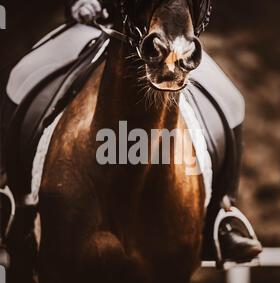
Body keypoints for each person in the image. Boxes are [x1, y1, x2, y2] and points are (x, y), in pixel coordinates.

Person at [0, 0, 262, 269]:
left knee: (232, 100)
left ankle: (222, 217)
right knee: (21, 76)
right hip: (96, 25)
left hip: (174, 31)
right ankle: (15, 202)